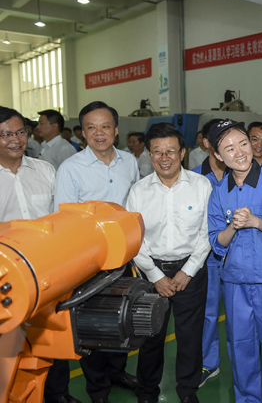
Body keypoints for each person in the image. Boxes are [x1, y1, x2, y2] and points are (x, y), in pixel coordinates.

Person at [54, 101, 139, 403]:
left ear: (116, 130)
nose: (98, 133)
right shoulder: (71, 168)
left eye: (105, 126)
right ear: (82, 132)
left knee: (123, 318)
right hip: (89, 263)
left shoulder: (129, 162)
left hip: (125, 257)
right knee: (92, 326)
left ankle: (117, 371)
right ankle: (98, 388)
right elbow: (63, 221)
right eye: (91, 127)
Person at [127, 123, 211, 403]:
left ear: (183, 153)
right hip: (150, 273)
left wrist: (187, 271)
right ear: (149, 155)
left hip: (192, 271)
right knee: (150, 339)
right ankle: (147, 393)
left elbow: (206, 232)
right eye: (158, 152)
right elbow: (134, 238)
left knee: (190, 338)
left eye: (171, 151)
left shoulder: (201, 186)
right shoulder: (138, 191)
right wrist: (155, 275)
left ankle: (188, 392)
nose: (165, 158)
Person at [0, 106, 74, 403]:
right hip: (8, 280)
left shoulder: (45, 170)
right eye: (5, 134)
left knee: (54, 340)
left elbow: (60, 219)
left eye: (20, 132)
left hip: (49, 274)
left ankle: (59, 395)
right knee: (10, 347)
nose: (15, 140)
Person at [207, 119, 262, 402]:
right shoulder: (218, 192)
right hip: (235, 281)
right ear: (217, 155)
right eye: (228, 148)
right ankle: (247, 398)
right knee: (240, 346)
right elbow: (216, 241)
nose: (239, 152)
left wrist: (256, 221)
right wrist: (233, 227)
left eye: (243, 143)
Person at [192, 118, 227, 386]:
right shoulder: (192, 178)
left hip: (240, 257)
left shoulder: (242, 173)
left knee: (245, 316)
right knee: (207, 313)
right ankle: (208, 363)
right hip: (208, 258)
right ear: (206, 143)